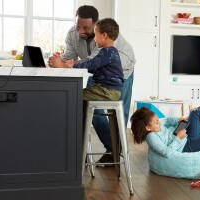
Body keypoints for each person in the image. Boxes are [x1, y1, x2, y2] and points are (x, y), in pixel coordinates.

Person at [49, 5, 136, 165]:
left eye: (86, 28)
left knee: (118, 113)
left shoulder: (106, 38)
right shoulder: (73, 33)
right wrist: (59, 60)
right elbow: (70, 57)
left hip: (122, 72)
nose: (81, 31)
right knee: (90, 106)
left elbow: (94, 62)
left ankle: (116, 152)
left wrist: (67, 65)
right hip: (98, 73)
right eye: (78, 26)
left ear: (97, 26)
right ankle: (110, 147)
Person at [130, 107, 200, 165]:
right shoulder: (151, 138)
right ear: (148, 128)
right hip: (185, 146)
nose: (160, 123)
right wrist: (178, 138)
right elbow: (166, 152)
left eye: (158, 120)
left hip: (182, 137)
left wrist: (179, 120)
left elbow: (167, 120)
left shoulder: (158, 125)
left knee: (195, 111)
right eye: (156, 122)